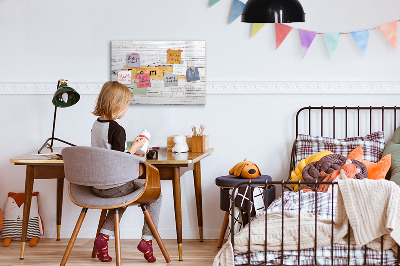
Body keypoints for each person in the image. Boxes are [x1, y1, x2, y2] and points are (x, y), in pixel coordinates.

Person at [91, 81, 161, 263]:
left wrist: (130, 149)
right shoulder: (117, 129)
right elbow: (118, 161)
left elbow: (108, 154)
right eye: (126, 105)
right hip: (114, 186)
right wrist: (135, 149)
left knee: (121, 198)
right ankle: (147, 240)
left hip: (97, 186)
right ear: (117, 105)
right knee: (156, 194)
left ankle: (103, 238)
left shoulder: (96, 125)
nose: (126, 109)